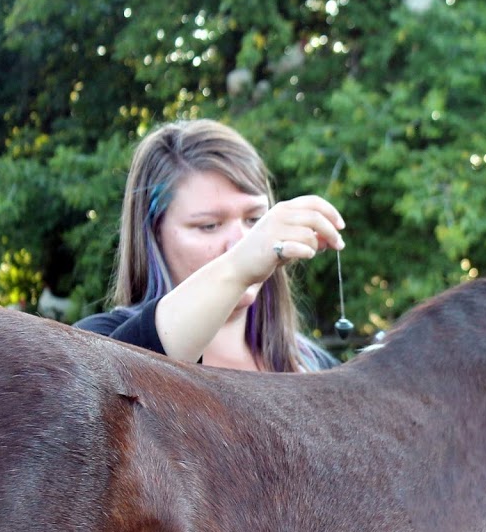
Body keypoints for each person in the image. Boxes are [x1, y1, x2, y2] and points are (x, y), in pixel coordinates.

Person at [74, 118, 345, 372]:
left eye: (255, 220)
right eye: (209, 225)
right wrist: (237, 268)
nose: (242, 243)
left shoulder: (316, 367)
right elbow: (113, 385)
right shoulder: (97, 342)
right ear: (155, 234)